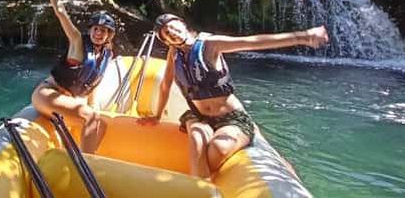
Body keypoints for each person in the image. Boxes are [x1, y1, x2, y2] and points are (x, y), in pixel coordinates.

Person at [139, 13, 329, 178]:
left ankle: (201, 185)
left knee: (218, 150)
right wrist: (156, 116)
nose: (171, 32)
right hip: (200, 117)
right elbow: (165, 85)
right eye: (165, 33)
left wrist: (303, 36)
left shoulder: (210, 44)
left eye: (172, 27)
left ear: (182, 24)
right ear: (165, 40)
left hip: (231, 119)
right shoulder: (174, 55)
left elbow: (253, 42)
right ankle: (201, 189)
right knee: (197, 136)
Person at [30, 0, 117, 153]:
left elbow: (93, 85)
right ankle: (86, 166)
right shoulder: (78, 41)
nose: (98, 33)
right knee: (90, 117)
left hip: (68, 100)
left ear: (110, 35)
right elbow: (61, 13)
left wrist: (93, 107)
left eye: (103, 30)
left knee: (102, 124)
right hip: (48, 93)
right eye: (95, 29)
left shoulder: (106, 55)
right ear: (90, 30)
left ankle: (85, 158)